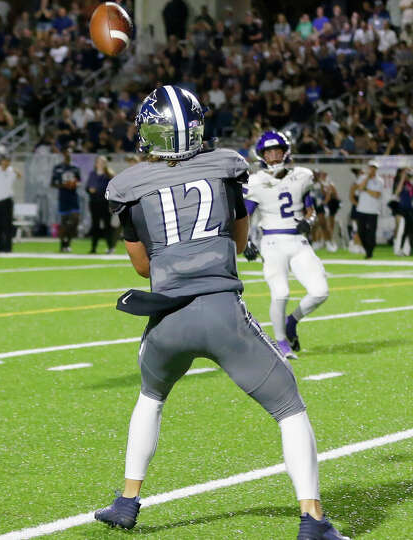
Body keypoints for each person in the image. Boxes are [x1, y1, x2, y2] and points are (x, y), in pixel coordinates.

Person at [94, 86, 348, 540]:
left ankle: (126, 501)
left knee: (150, 398)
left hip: (167, 319)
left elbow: (142, 265)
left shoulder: (127, 185)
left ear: (150, 133)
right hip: (221, 312)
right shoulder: (228, 165)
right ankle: (313, 520)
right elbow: (234, 243)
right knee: (289, 406)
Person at [242, 131, 329, 359]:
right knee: (280, 293)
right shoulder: (256, 182)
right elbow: (245, 216)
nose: (273, 156)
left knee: (320, 292)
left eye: (277, 151)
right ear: (262, 155)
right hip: (272, 242)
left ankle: (292, 322)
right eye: (268, 152)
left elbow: (310, 210)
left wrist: (309, 222)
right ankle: (281, 343)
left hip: (298, 242)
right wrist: (246, 241)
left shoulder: (302, 176)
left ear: (285, 152)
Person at [51, 144, 81, 253]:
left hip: (73, 196)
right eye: (66, 152)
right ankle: (63, 244)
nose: (68, 154)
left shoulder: (75, 168)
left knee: (74, 220)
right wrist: (64, 185)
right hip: (63, 196)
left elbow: (79, 181)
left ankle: (68, 241)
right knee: (64, 222)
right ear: (63, 154)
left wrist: (74, 184)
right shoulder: (58, 168)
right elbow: (52, 183)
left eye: (70, 152)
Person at [353, 161, 385, 259]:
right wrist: (367, 178)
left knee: (371, 233)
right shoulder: (362, 178)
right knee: (361, 231)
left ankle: (369, 252)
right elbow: (359, 188)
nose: (372, 170)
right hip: (362, 209)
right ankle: (367, 249)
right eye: (371, 167)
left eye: (374, 168)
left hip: (373, 211)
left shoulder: (379, 180)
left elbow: (376, 195)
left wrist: (366, 190)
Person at [86, 155, 116, 254]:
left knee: (107, 226)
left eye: (103, 162)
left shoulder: (109, 175)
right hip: (94, 203)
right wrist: (90, 190)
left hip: (105, 203)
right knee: (95, 225)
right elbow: (87, 187)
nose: (100, 164)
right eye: (99, 161)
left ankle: (110, 246)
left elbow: (111, 190)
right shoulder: (92, 174)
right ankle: (93, 247)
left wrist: (98, 191)